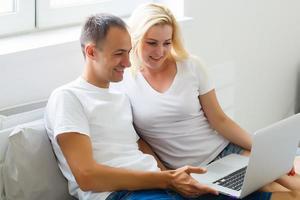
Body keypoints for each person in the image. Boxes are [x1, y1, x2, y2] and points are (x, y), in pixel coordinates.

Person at [118, 3, 300, 199]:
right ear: (135, 38)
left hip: (228, 152)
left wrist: (264, 150)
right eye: (152, 43)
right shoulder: (123, 83)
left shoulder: (191, 66)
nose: (160, 51)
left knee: (293, 182)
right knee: (285, 193)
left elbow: (220, 120)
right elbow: (140, 142)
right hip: (198, 172)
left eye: (167, 43)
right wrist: (167, 178)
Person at [44, 13, 224, 200]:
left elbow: (140, 145)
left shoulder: (120, 96)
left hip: (159, 186)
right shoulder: (68, 97)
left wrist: (175, 181)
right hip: (121, 193)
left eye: (128, 52)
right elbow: (87, 176)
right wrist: (167, 179)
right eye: (119, 54)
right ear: (91, 52)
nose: (128, 62)